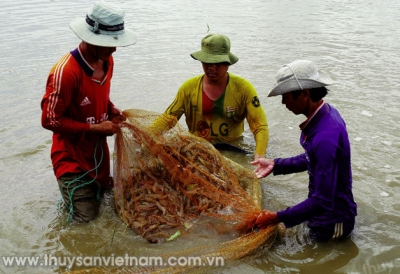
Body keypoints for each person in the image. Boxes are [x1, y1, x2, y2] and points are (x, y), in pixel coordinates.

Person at [41, 1, 137, 223]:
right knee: (85, 221)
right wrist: (94, 128)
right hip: (71, 160)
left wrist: (111, 109)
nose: (114, 48)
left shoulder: (107, 60)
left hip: (98, 159)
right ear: (91, 39)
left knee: (109, 213)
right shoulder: (66, 72)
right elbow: (50, 120)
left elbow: (99, 96)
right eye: (109, 43)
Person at [251, 60, 357, 241]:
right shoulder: (327, 115)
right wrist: (276, 164)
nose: (283, 102)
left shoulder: (325, 137)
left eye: (286, 95)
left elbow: (323, 200)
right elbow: (312, 158)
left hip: (333, 223)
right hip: (320, 213)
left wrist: (277, 217)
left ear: (305, 94)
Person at [150, 33, 269, 160]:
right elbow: (167, 120)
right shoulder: (188, 88)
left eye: (217, 63)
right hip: (198, 150)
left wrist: (260, 156)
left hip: (233, 149)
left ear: (228, 63)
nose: (211, 68)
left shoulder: (244, 89)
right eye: (207, 62)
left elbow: (260, 126)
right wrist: (143, 134)